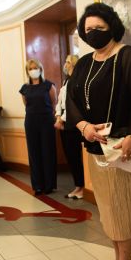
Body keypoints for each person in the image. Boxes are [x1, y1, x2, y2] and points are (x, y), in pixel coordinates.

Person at [66, 3, 131, 260]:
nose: (93, 33)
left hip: (122, 147)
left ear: (112, 27)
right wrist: (83, 126)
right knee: (108, 209)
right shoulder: (84, 63)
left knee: (123, 209)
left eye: (99, 28)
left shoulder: (127, 56)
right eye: (88, 29)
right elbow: (71, 100)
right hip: (96, 146)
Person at [20, 59, 57, 195]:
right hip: (31, 121)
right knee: (34, 153)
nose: (33, 70)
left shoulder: (49, 86)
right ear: (27, 71)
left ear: (40, 69)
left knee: (48, 152)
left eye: (35, 67)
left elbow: (53, 102)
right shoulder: (25, 88)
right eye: (30, 68)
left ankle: (49, 185)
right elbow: (26, 104)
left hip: (47, 121)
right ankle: (38, 185)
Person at [55, 54, 85, 199]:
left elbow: (73, 105)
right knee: (70, 157)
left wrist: (62, 119)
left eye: (67, 62)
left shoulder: (78, 81)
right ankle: (77, 186)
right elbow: (60, 102)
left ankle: (81, 187)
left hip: (74, 124)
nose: (65, 65)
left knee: (76, 157)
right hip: (65, 123)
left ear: (73, 64)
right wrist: (58, 116)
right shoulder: (66, 81)